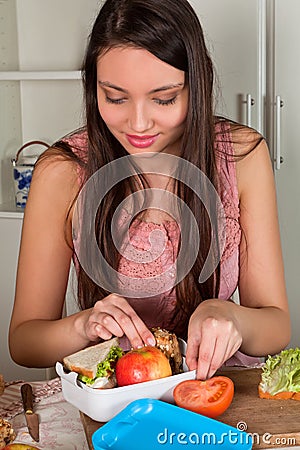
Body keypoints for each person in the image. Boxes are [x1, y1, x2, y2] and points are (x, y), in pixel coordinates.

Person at [9, 0, 290, 381]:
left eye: (164, 98)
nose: (138, 123)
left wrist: (231, 316)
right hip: (116, 394)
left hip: (217, 391)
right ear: (93, 87)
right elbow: (24, 342)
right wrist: (83, 326)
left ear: (198, 83)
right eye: (115, 97)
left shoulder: (241, 156)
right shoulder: (61, 172)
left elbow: (276, 327)